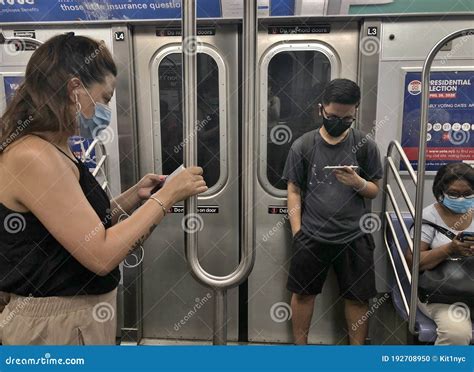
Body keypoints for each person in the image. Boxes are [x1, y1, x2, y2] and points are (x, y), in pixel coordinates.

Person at [0, 33, 207, 345]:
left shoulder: (55, 148)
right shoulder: (34, 156)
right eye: (105, 98)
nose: (105, 109)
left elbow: (76, 226)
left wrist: (133, 198)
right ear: (74, 89)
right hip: (55, 326)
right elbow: (99, 253)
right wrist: (167, 196)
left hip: (75, 318)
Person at [282, 78, 383, 345]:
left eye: (347, 118)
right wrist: (297, 232)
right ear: (321, 110)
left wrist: (358, 183)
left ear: (355, 113)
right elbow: (293, 190)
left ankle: (357, 353)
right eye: (333, 116)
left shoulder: (365, 145)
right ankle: (300, 349)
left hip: (355, 235)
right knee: (303, 294)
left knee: (358, 298)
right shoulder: (303, 146)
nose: (340, 122)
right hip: (312, 234)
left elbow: (375, 189)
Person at [407, 162, 473, 345]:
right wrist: (448, 249)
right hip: (443, 294)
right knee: (456, 333)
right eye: (453, 194)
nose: (461, 199)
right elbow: (413, 262)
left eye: (467, 193)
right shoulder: (428, 217)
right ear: (441, 192)